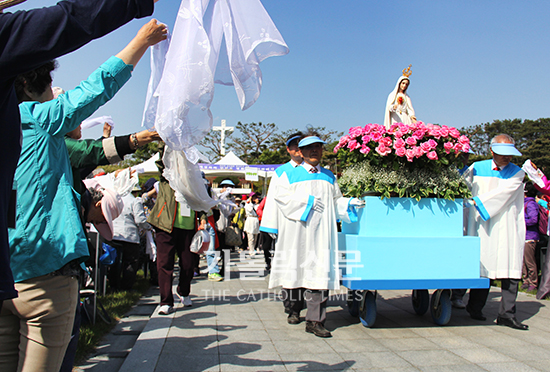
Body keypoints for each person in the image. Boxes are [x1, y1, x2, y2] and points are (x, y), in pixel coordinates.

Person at [0, 20, 166, 371]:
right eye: (50, 88)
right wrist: (140, 42)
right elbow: (95, 88)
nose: (55, 95)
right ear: (29, 85)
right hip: (45, 273)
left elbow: (87, 151)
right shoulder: (37, 119)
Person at [268, 136, 363, 338]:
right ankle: (293, 309)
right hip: (296, 233)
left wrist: (349, 204)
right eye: (308, 148)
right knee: (295, 271)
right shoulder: (287, 174)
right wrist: (307, 201)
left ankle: (315, 320)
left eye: (317, 148)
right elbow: (281, 198)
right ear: (300, 152)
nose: (314, 151)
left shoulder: (329, 177)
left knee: (319, 274)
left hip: (322, 235)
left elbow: (336, 202)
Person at [463, 134, 528, 330]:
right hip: (481, 225)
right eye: (502, 154)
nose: (507, 158)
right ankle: (474, 307)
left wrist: (476, 202)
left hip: (507, 225)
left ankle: (507, 314)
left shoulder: (517, 173)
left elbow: (504, 194)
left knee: (510, 268)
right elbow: (461, 186)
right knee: (483, 267)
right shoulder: (477, 168)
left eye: (510, 154)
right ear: (492, 151)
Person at [147, 142, 207, 315]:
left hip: (188, 228)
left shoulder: (193, 183)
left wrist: (203, 219)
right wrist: (165, 140)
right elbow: (161, 160)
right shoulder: (167, 177)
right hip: (165, 226)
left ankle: (183, 291)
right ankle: (166, 301)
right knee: (164, 264)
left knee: (188, 264)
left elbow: (202, 202)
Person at [260, 132, 304, 272]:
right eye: (294, 146)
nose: (297, 149)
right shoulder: (281, 171)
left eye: (300, 145)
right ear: (288, 149)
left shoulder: (313, 170)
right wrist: (271, 226)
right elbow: (272, 199)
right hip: (288, 222)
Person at [109, 184, 153, 290]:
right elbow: (139, 219)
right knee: (130, 262)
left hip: (114, 234)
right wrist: (149, 227)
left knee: (114, 262)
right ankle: (126, 286)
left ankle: (114, 286)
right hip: (130, 236)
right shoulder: (135, 201)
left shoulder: (115, 198)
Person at [522, 182, 539, 292]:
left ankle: (533, 282)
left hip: (530, 237)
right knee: (523, 261)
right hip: (524, 236)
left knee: (529, 261)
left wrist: (522, 222)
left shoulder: (531, 204)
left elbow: (533, 219)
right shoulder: (524, 203)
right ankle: (525, 281)